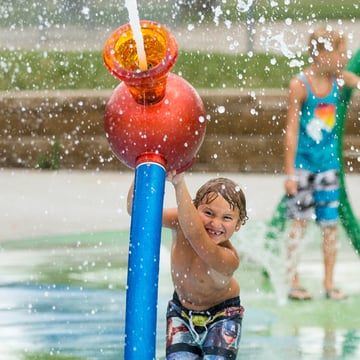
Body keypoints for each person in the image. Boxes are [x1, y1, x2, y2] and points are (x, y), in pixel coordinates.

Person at [128, 173, 248, 359]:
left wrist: (178, 183)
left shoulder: (228, 259)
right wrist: (142, 167)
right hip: (181, 311)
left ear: (238, 224)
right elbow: (138, 210)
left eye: (227, 218)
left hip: (222, 316)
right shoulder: (180, 221)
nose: (215, 223)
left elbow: (196, 238)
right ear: (194, 208)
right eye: (208, 213)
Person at [284, 25, 360, 301]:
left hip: (329, 167)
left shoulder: (338, 82)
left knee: (330, 226)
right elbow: (291, 131)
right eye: (341, 53)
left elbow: (355, 80)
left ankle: (329, 283)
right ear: (322, 54)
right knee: (298, 223)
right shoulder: (300, 85)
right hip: (303, 167)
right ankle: (293, 281)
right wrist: (290, 173)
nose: (344, 58)